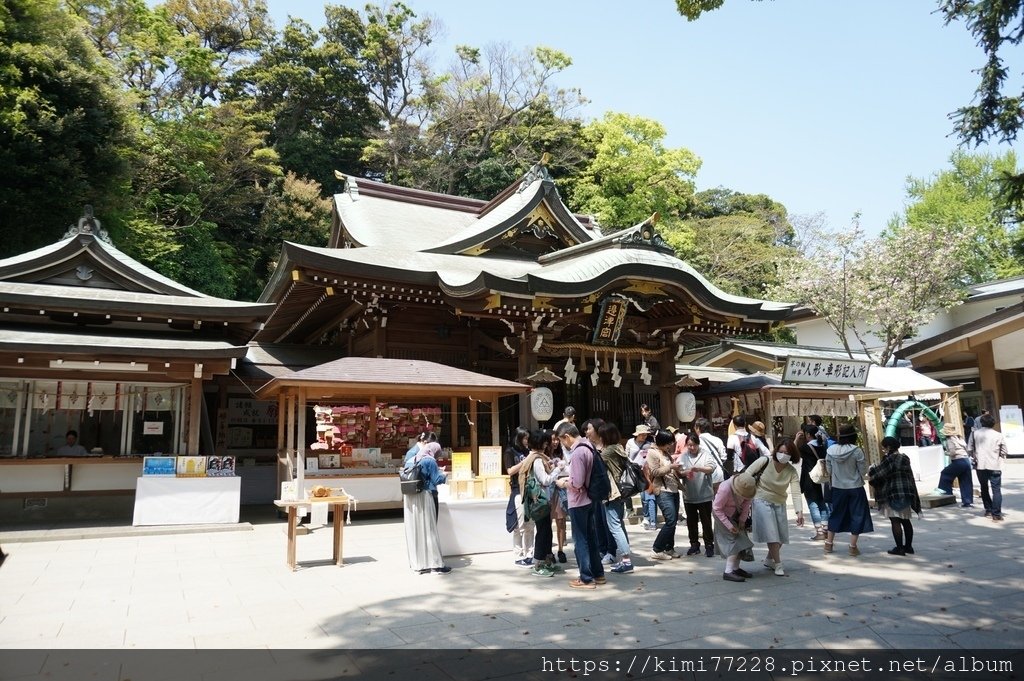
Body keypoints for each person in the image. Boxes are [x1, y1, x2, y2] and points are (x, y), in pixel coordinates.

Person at [554, 422, 605, 589]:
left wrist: (563, 483)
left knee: (580, 540)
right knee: (591, 538)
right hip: (591, 498)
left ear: (567, 437)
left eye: (562, 441)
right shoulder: (589, 446)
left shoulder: (577, 453)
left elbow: (576, 483)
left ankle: (586, 577)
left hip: (578, 501)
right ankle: (598, 574)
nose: (563, 444)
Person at [751, 439, 804, 576]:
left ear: (792, 455)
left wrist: (799, 511)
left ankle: (769, 559)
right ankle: (778, 564)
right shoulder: (765, 461)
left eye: (787, 453)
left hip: (779, 502)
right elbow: (747, 474)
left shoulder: (791, 471)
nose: (783, 455)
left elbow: (796, 492)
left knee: (780, 537)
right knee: (772, 535)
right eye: (780, 452)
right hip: (761, 499)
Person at [824, 424, 873, 556]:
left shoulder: (831, 450)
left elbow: (828, 470)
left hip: (837, 487)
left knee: (836, 514)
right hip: (855, 487)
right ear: (854, 436)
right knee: (857, 515)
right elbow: (863, 471)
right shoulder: (857, 450)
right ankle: (852, 546)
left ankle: (828, 544)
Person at [520, 429, 563, 577]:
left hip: (540, 501)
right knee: (543, 532)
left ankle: (545, 561)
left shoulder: (536, 457)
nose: (547, 444)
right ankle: (538, 563)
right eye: (545, 441)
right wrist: (558, 469)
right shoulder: (537, 460)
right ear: (540, 443)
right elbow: (545, 480)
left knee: (546, 531)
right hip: (540, 501)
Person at [403, 442, 451, 574]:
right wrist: (444, 475)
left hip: (410, 497)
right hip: (425, 496)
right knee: (430, 530)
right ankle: (436, 565)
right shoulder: (430, 461)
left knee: (416, 530)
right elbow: (436, 480)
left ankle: (418, 564)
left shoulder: (411, 459)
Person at [869, 436, 922, 556]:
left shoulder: (890, 459)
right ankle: (908, 547)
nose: (883, 450)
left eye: (884, 448)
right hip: (907, 492)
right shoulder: (905, 458)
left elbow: (878, 473)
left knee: (895, 520)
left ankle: (899, 548)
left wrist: (872, 468)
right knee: (906, 520)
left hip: (893, 492)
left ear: (888, 447)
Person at [598, 422, 633, 574]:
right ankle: (625, 558)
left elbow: (594, 461)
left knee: (614, 526)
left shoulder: (608, 451)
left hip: (613, 492)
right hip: (621, 492)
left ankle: (626, 561)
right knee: (619, 525)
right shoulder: (619, 447)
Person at [712, 467, 756, 582]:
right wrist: (729, 526)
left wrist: (742, 520)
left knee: (742, 541)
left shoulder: (749, 487)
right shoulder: (725, 488)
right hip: (723, 515)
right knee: (734, 541)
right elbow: (717, 508)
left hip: (736, 513)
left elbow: (747, 503)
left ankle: (735, 569)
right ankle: (728, 572)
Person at [679, 432, 717, 558]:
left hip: (704, 494)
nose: (692, 448)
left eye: (694, 445)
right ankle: (694, 544)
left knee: (706, 522)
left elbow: (711, 468)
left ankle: (709, 545)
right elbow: (679, 471)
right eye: (689, 445)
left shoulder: (705, 454)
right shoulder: (684, 456)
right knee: (691, 522)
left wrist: (699, 468)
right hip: (689, 495)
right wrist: (685, 472)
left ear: (698, 444)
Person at [647, 429, 682, 561]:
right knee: (671, 520)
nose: (670, 446)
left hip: (673, 489)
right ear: (661, 442)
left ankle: (669, 547)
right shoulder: (652, 452)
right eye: (668, 443)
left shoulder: (666, 452)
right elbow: (655, 472)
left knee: (672, 521)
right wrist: (671, 467)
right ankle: (657, 549)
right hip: (662, 490)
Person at [969, 412, 1008, 522]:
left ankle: (988, 509)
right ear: (993, 423)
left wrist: (975, 456)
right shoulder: (998, 435)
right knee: (996, 489)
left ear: (981, 423)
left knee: (984, 487)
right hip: (995, 465)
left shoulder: (974, 434)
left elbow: (969, 448)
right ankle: (996, 513)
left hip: (980, 465)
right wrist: (998, 457)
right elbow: (1005, 450)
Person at [503, 427, 533, 567]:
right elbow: (510, 471)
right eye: (525, 438)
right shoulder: (510, 452)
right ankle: (518, 555)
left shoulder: (528, 451)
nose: (527, 441)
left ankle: (530, 554)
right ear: (518, 438)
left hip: (529, 490)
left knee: (530, 525)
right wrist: (524, 462)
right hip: (517, 490)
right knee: (519, 525)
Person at [796, 423, 831, 540]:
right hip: (823, 479)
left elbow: (794, 453)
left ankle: (819, 532)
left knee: (813, 505)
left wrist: (796, 439)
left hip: (809, 479)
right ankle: (825, 529)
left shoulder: (805, 448)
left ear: (807, 434)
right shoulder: (823, 446)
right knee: (822, 503)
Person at [627, 425, 657, 530]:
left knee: (648, 495)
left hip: (646, 472)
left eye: (645, 435)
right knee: (641, 496)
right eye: (642, 435)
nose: (644, 437)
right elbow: (627, 456)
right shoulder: (630, 442)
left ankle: (650, 519)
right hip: (634, 471)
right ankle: (642, 515)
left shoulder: (649, 444)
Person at [936, 423, 974, 507]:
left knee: (945, 474)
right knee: (965, 481)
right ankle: (967, 501)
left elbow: (952, 452)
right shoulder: (959, 437)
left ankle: (947, 495)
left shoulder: (950, 439)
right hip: (966, 460)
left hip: (958, 460)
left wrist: (947, 453)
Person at [549, 430, 569, 563]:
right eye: (553, 439)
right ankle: (548, 550)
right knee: (547, 522)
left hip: (561, 487)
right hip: (548, 488)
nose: (555, 442)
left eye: (557, 439)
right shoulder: (543, 454)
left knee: (561, 521)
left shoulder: (564, 452)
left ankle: (561, 549)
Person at [694, 417, 727, 493]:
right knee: (718, 501)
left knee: (706, 501)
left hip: (702, 476)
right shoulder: (717, 439)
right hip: (718, 474)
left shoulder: (696, 442)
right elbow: (723, 457)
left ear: (698, 428)